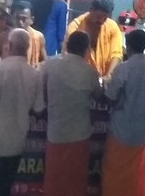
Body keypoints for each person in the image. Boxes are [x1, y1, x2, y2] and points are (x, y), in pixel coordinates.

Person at [0, 28, 44, 196]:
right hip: (16, 142)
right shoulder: (34, 74)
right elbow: (38, 109)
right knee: (5, 187)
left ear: (10, 45)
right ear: (28, 47)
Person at [101, 28, 145, 196]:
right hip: (142, 133)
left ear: (127, 47)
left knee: (115, 174)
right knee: (137, 176)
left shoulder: (123, 69)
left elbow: (110, 97)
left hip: (120, 131)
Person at [42, 31, 102, 196]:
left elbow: (39, 88)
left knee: (54, 179)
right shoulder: (90, 72)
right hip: (79, 135)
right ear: (86, 49)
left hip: (56, 133)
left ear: (66, 46)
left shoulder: (50, 66)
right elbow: (99, 95)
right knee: (75, 181)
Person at [65, 0, 123, 77]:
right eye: (98, 17)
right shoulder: (75, 28)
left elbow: (116, 54)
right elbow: (68, 57)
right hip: (79, 78)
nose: (101, 21)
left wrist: (109, 75)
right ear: (90, 10)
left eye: (105, 17)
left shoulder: (112, 27)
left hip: (104, 79)